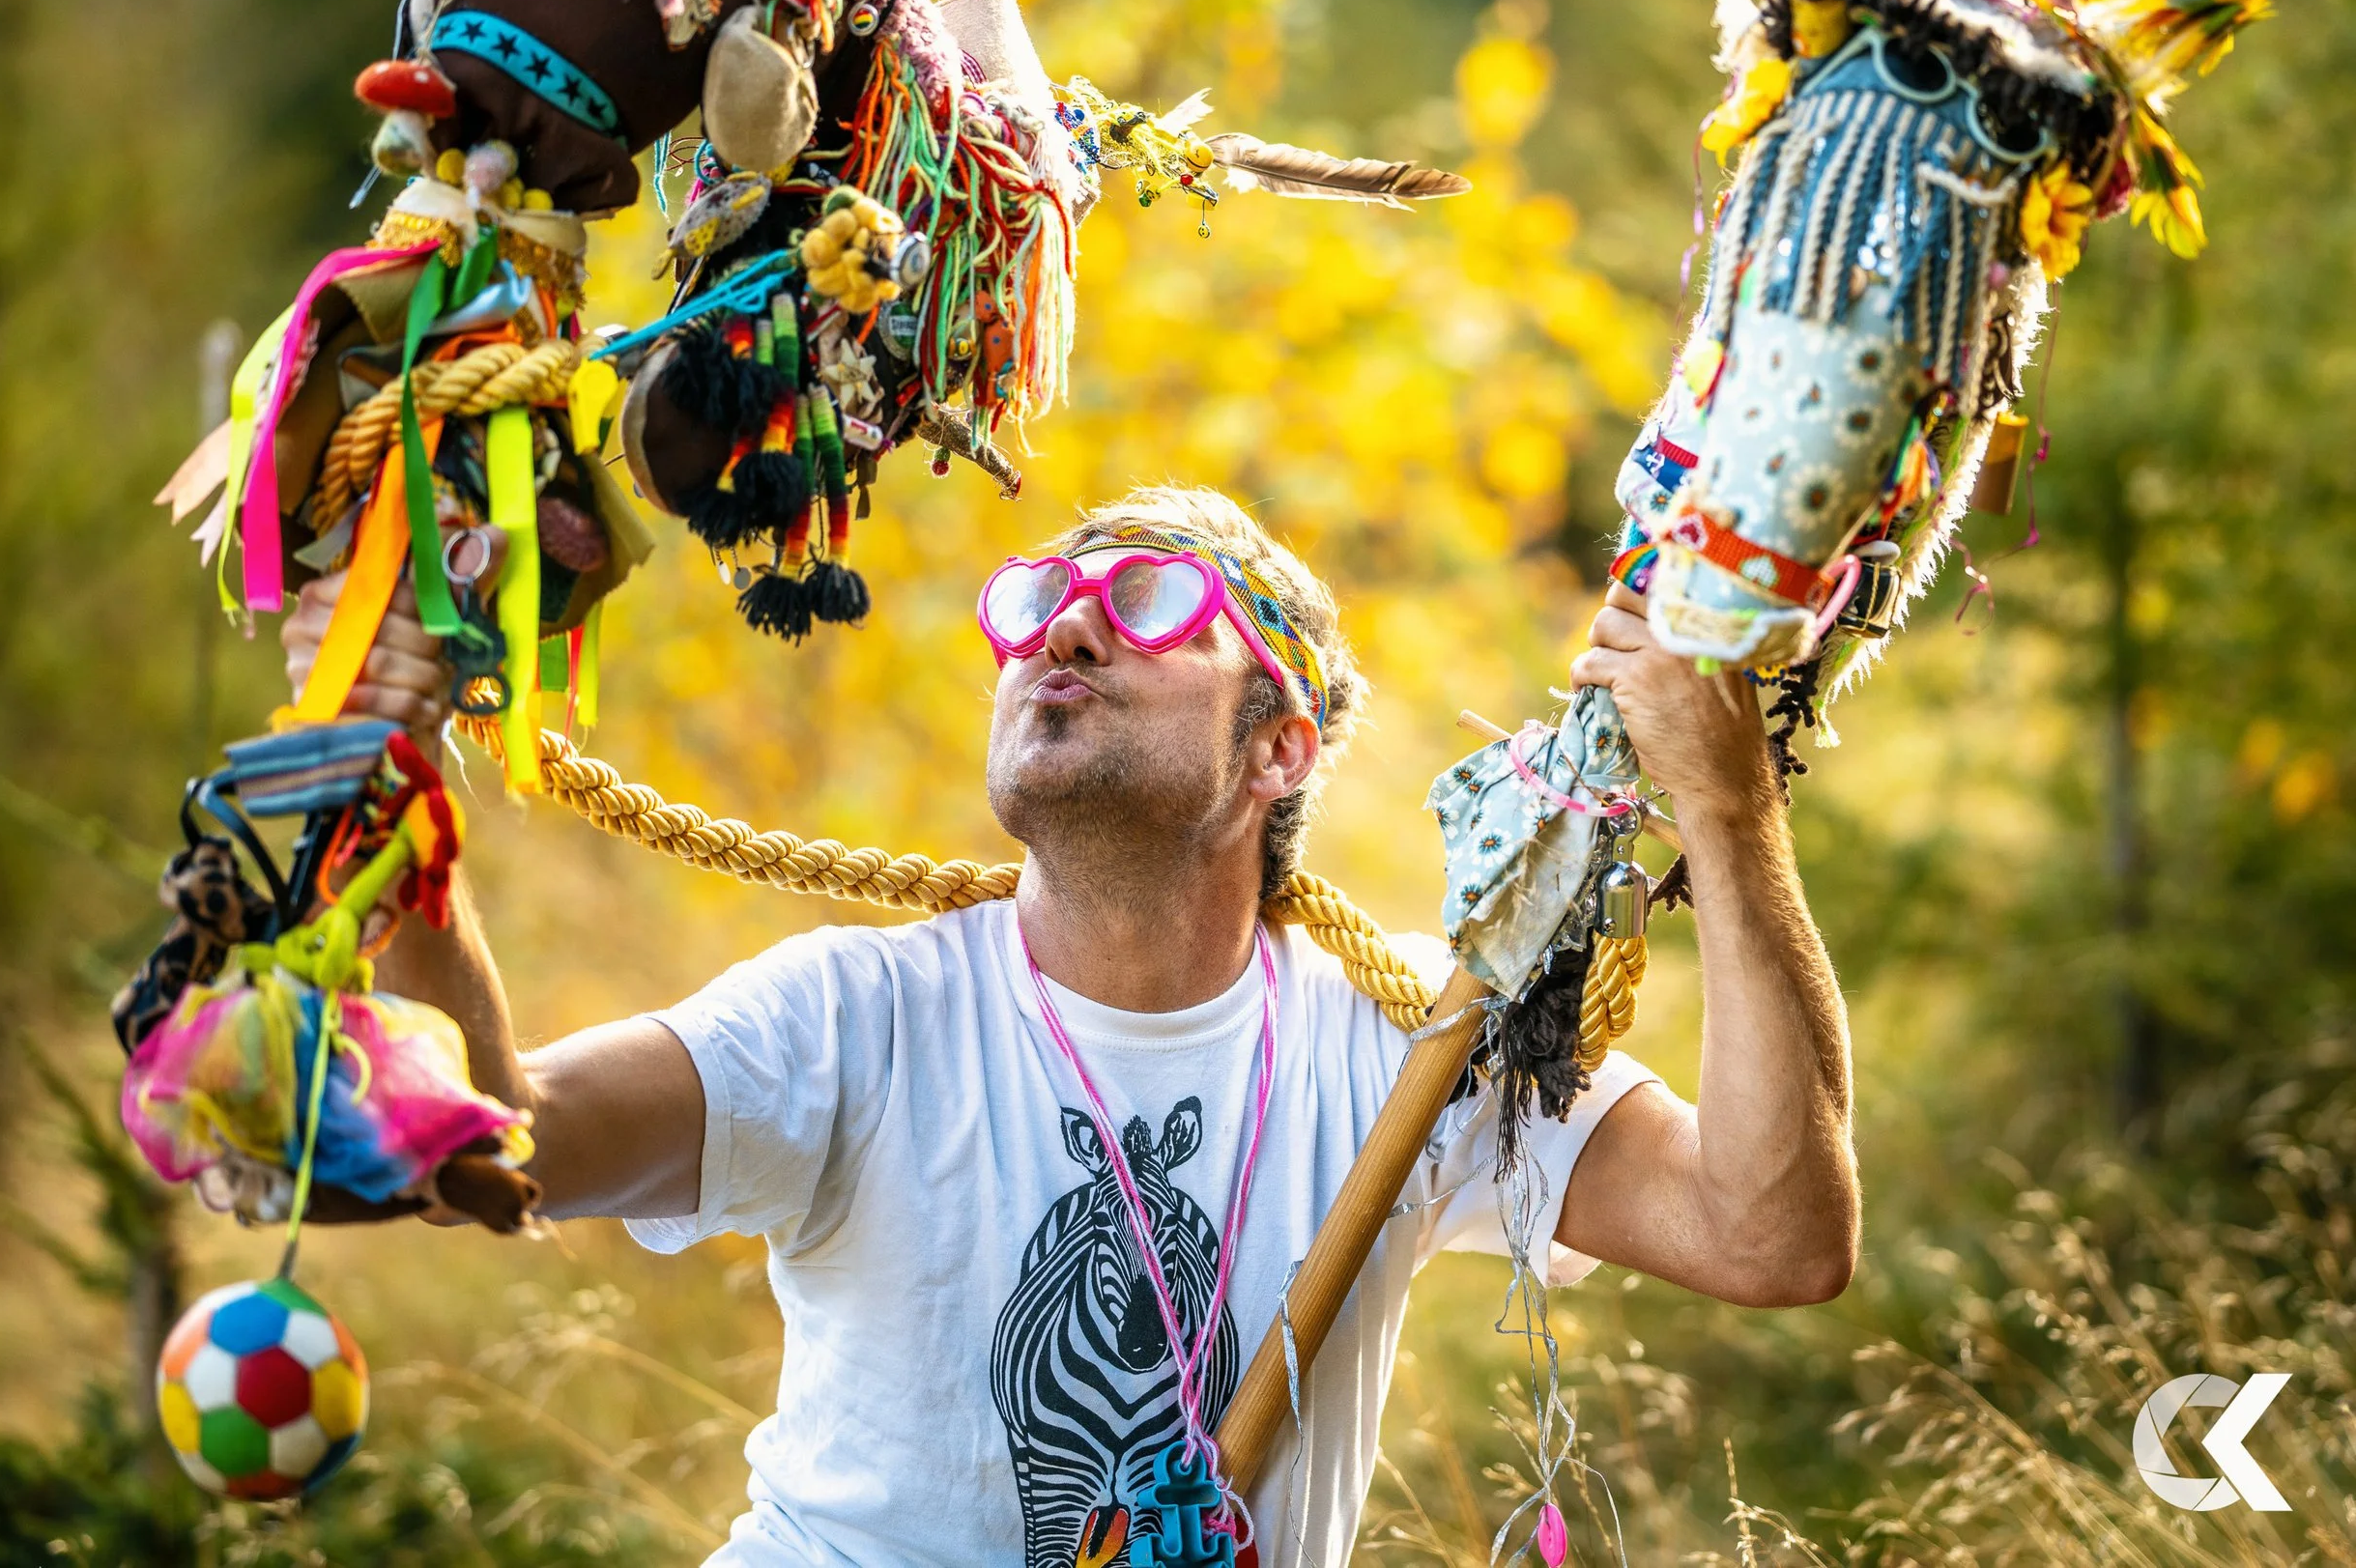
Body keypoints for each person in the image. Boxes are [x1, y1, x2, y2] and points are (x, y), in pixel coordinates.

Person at [288, 483, 1857, 1568]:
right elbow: (491, 1144)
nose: (1064, 629)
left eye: (1147, 600)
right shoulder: (862, 1015)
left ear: (1277, 751)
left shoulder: (1413, 1047)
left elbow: (1775, 1230)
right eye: (1039, 598)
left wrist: (1724, 806)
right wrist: (395, 795)